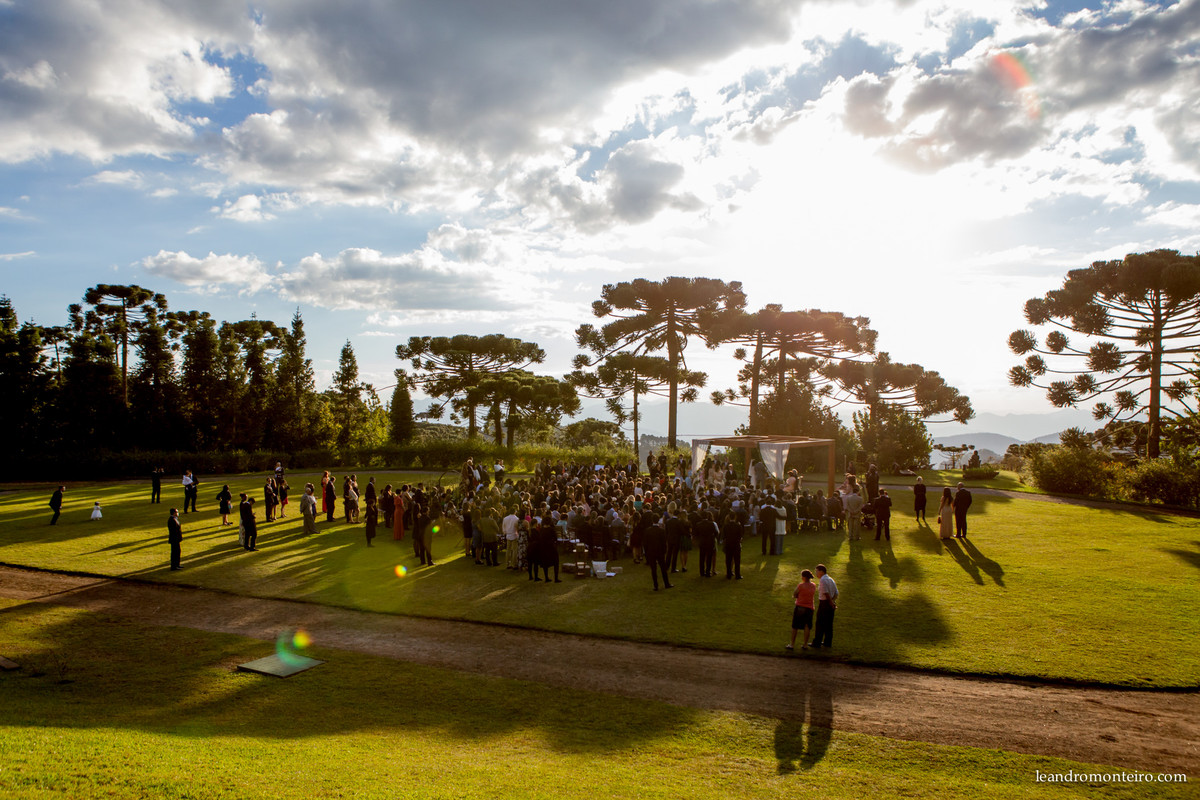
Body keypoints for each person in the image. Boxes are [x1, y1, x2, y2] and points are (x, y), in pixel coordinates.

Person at [788, 569, 817, 650]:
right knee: (807, 626)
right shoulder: (813, 585)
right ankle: (805, 644)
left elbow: (794, 594)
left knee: (795, 626)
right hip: (810, 608)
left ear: (804, 577)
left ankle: (792, 644)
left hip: (800, 607)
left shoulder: (801, 586)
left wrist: (798, 596)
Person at [811, 563, 838, 649]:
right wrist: (833, 602)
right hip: (830, 603)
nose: (816, 573)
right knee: (829, 624)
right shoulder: (831, 579)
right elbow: (836, 593)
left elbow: (826, 593)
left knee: (820, 623)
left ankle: (817, 642)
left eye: (817, 571)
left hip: (824, 604)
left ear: (821, 571)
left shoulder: (823, 580)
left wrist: (830, 603)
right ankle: (827, 642)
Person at [643, 515, 672, 591]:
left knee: (653, 569)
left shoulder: (648, 531)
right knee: (663, 568)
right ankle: (666, 583)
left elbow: (645, 543)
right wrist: (664, 551)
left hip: (651, 552)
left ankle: (655, 585)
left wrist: (646, 553)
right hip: (660, 552)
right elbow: (664, 542)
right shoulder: (661, 531)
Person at [721, 510, 743, 580]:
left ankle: (729, 574)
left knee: (728, 560)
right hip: (736, 544)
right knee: (737, 561)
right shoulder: (738, 526)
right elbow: (740, 536)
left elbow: (724, 537)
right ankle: (737, 575)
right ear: (735, 517)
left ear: (729, 517)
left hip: (728, 544)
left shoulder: (725, 526)